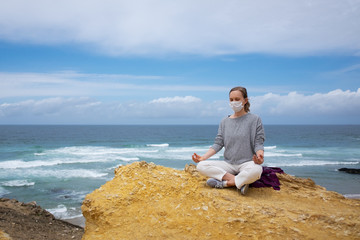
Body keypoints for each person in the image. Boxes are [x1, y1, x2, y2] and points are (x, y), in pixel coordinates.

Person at [192, 86, 265, 195]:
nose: (234, 102)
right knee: (201, 166)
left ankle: (226, 184)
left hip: (247, 163)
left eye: (237, 99)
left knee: (257, 170)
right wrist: (203, 157)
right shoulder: (224, 121)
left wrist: (260, 156)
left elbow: (258, 142)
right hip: (228, 164)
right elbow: (218, 143)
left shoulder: (255, 119)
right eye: (231, 100)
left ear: (245, 100)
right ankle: (239, 181)